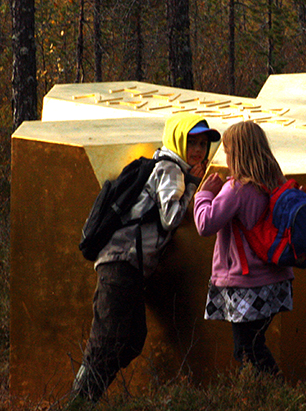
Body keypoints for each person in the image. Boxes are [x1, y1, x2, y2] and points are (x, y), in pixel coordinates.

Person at [70, 113, 220, 403]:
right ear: (177, 141)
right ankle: (77, 403)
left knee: (132, 339)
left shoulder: (169, 167)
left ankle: (89, 396)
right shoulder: (170, 169)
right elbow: (171, 218)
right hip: (120, 263)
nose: (199, 150)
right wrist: (195, 186)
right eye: (193, 142)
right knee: (105, 342)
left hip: (129, 267)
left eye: (203, 144)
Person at [193, 121, 306, 375]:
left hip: (247, 285)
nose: (225, 157)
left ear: (236, 153)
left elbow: (205, 225)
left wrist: (203, 195)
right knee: (253, 345)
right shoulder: (276, 183)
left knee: (247, 350)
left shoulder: (236, 189)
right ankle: (267, 395)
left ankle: (275, 396)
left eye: (227, 151)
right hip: (276, 281)